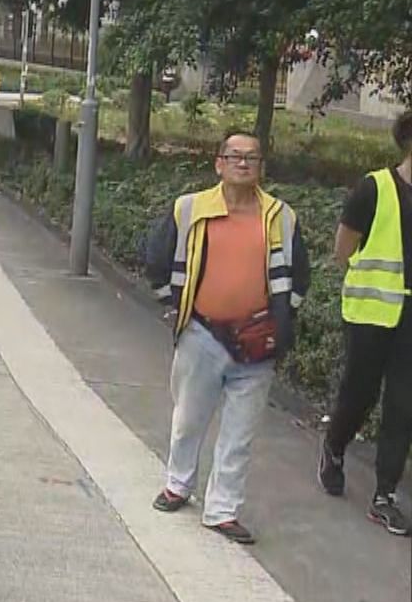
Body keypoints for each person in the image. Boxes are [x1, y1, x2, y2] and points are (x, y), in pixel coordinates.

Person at [141, 130, 311, 544]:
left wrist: (280, 321)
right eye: (233, 156)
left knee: (240, 431)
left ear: (261, 168)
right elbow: (156, 258)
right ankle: (178, 485)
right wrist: (173, 304)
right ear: (218, 163)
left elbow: (300, 274)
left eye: (251, 157)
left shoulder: (280, 217)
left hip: (256, 342)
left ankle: (222, 510)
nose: (242, 163)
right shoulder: (190, 209)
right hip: (202, 333)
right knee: (188, 420)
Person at [318, 109, 412, 536]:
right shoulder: (374, 188)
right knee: (360, 394)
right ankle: (334, 447)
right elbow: (344, 251)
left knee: (403, 406)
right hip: (372, 314)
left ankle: (384, 496)